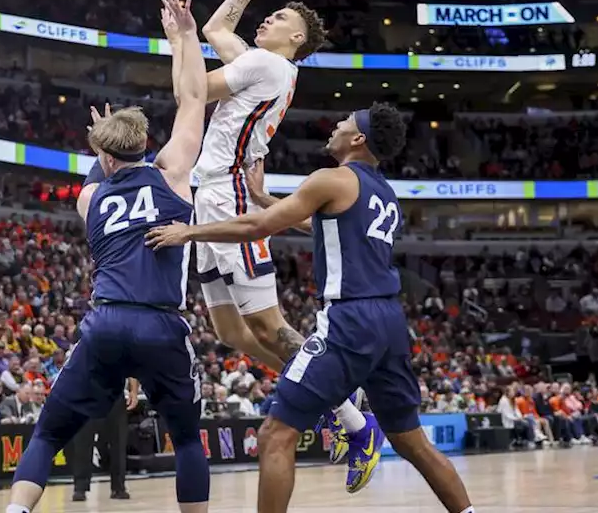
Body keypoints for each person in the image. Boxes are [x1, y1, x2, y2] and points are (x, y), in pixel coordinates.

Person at [146, 103, 475, 512]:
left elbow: (257, 228)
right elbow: (323, 224)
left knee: (275, 434)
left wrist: (189, 232)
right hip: (390, 323)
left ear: (358, 139)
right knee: (413, 443)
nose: (335, 124)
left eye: (345, 123)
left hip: (351, 320)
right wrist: (264, 196)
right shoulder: (383, 192)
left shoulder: (332, 179)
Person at [5, 0, 210, 513]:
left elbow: (105, 166)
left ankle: (14, 510)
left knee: (48, 434)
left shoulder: (89, 195)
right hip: (162, 323)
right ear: (144, 144)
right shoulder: (173, 175)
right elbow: (192, 100)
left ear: (101, 153)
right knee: (188, 439)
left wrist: (100, 148)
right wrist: (184, 38)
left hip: (107, 321)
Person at [197, 0, 373, 473]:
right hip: (212, 192)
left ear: (295, 37)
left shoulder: (270, 67)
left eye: (276, 16)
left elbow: (194, 88)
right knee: (232, 333)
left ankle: (353, 418)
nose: (264, 19)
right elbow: (218, 31)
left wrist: (180, 41)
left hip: (226, 192)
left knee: (270, 327)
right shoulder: (262, 65)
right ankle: (331, 400)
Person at [72, 381, 138, 502]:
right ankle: (80, 487)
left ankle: (119, 487)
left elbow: (132, 366)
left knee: (118, 442)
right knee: (83, 440)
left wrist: (134, 392)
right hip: (88, 393)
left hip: (114, 393)